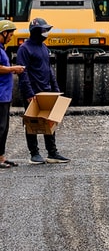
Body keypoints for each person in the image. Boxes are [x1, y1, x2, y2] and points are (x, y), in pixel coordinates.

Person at [17, 17, 69, 164]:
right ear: (35, 31)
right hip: (32, 93)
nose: (46, 32)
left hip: (47, 91)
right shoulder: (24, 49)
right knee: (31, 123)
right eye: (43, 30)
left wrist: (56, 90)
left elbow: (49, 70)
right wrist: (28, 93)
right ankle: (34, 153)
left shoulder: (44, 47)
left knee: (50, 122)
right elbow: (23, 73)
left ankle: (52, 152)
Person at [0, 20, 25, 168]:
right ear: (3, 33)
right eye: (10, 34)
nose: (11, 37)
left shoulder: (2, 48)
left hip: (5, 95)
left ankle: (1, 156)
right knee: (0, 127)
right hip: (1, 95)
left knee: (4, 128)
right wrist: (13, 69)